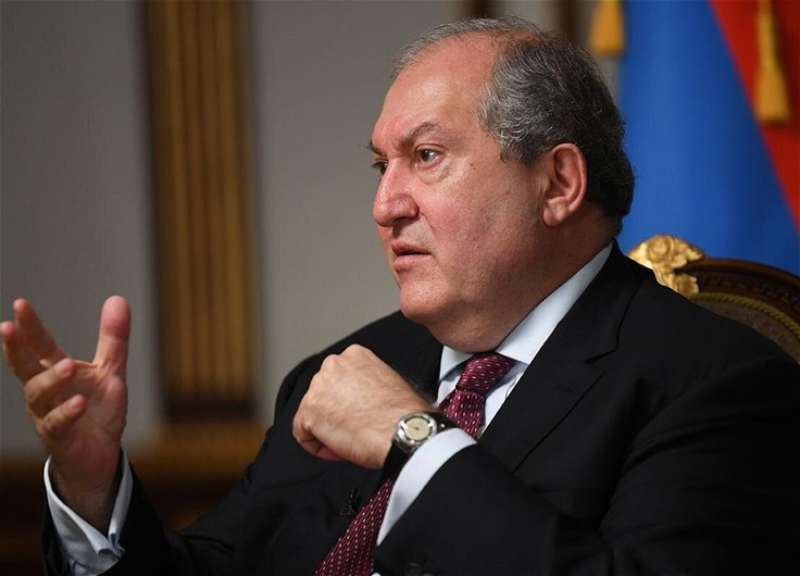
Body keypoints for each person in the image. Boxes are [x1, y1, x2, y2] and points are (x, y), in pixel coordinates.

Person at [3, 16, 799, 576]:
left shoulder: (717, 383)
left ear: (558, 183)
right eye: (381, 166)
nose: (385, 205)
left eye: (426, 156)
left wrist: (418, 442)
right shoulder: (351, 367)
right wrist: (93, 489)